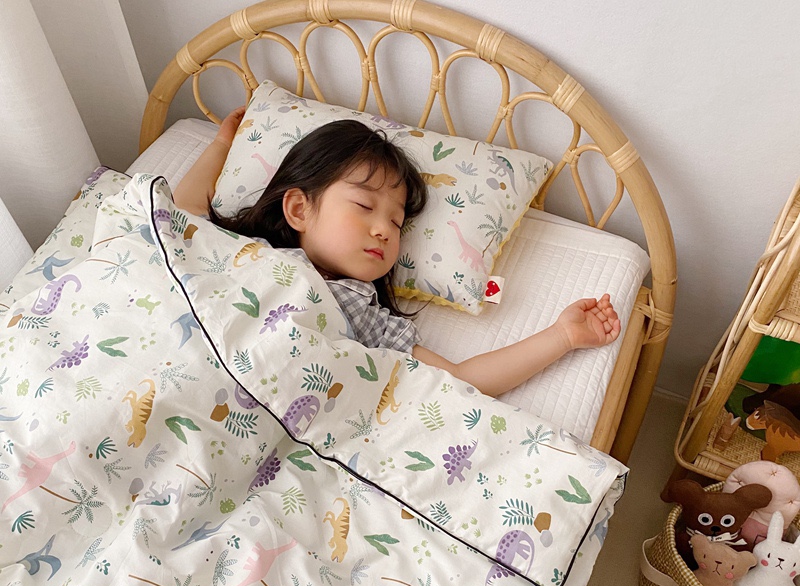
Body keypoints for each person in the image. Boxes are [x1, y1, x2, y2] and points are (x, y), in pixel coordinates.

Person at [174, 108, 621, 398]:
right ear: (298, 209)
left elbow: (461, 381)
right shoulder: (244, 250)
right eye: (364, 206)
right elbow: (181, 213)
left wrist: (562, 337)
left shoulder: (362, 313)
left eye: (396, 222)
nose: (384, 231)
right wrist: (221, 145)